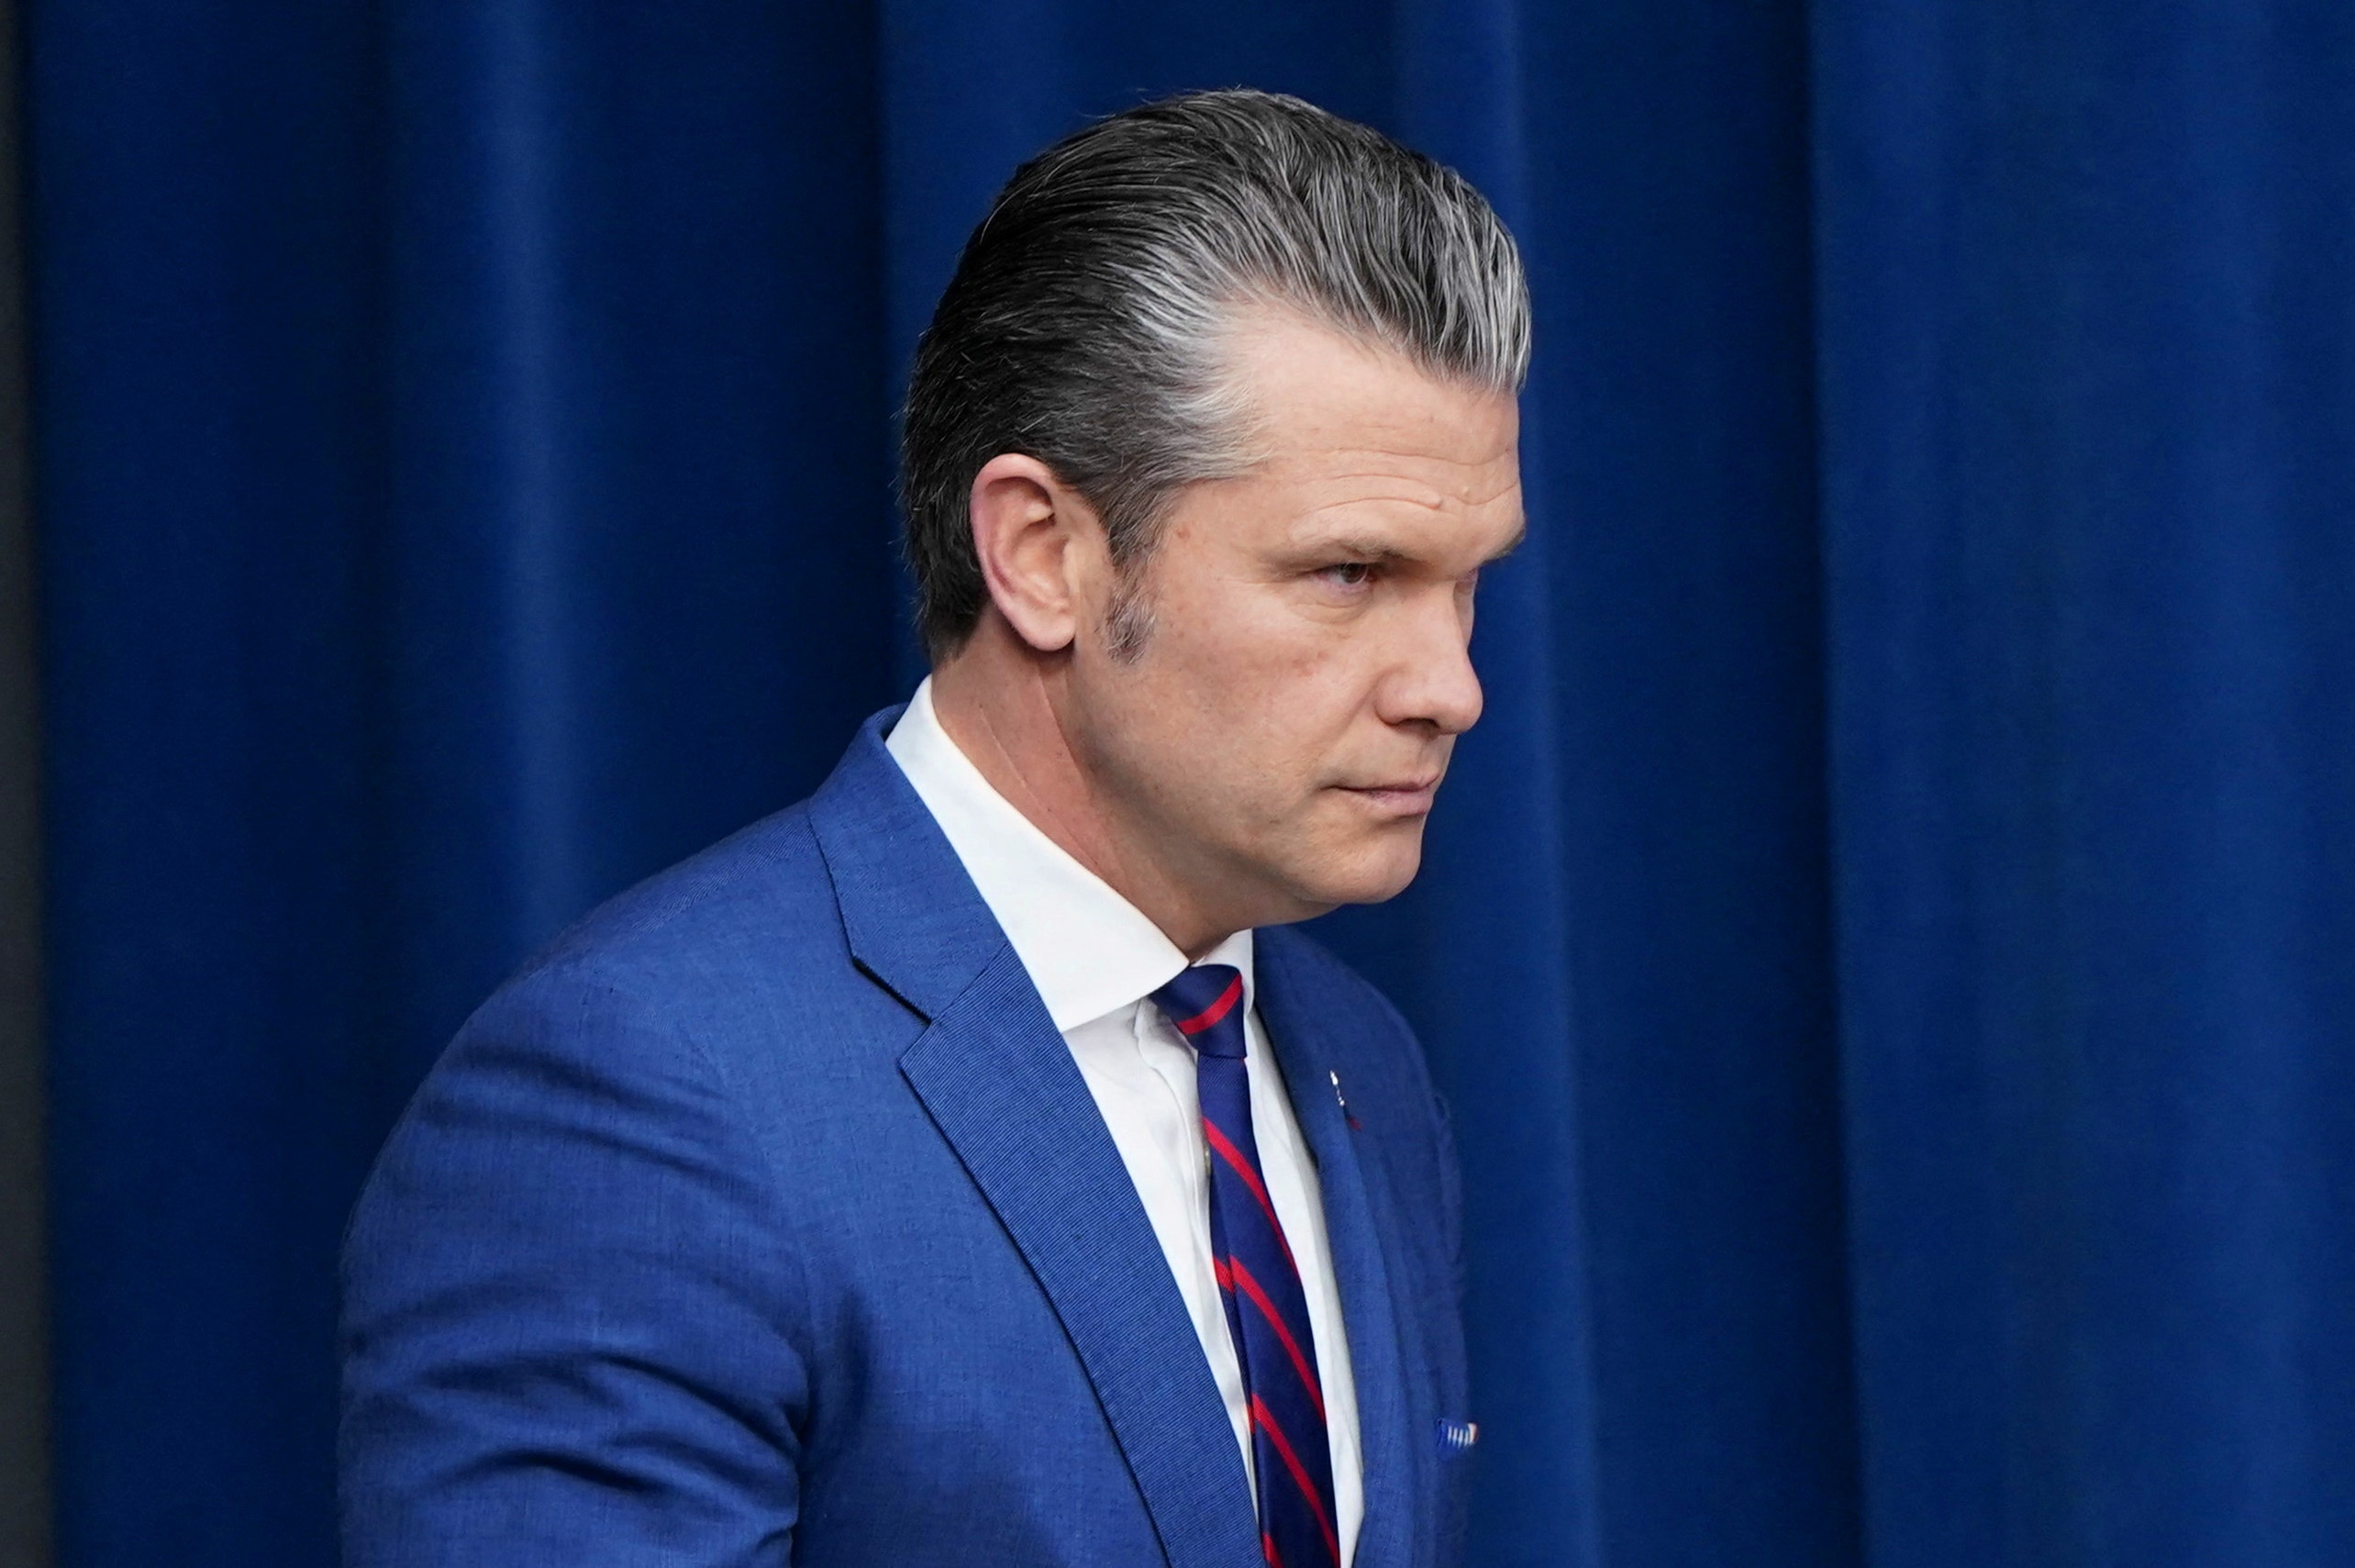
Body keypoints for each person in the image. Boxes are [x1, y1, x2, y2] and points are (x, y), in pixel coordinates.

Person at [340, 88, 1527, 1568]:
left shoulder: (1362, 1065)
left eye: (1467, 584)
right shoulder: (644, 1102)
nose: (1451, 687)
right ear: (1041, 555)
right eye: (1351, 573)